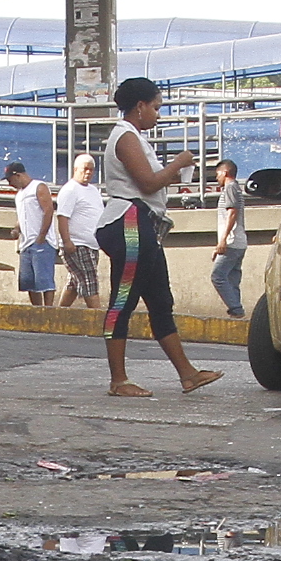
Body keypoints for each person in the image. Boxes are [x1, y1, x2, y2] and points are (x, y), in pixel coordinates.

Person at [92, 77, 220, 399]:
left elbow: (149, 182)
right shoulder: (125, 136)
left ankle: (188, 374)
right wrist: (179, 163)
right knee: (122, 301)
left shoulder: (135, 137)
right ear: (140, 106)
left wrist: (172, 172)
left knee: (161, 301)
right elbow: (148, 183)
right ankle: (118, 380)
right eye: (156, 107)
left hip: (143, 226)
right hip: (130, 224)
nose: (158, 115)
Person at [54, 152, 103, 308]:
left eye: (91, 169)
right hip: (77, 244)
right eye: (85, 169)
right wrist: (67, 241)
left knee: (75, 282)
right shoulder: (70, 190)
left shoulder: (94, 191)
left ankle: (58, 314)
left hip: (92, 245)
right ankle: (98, 317)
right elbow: (62, 217)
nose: (88, 173)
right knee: (89, 282)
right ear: (76, 169)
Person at [4, 161, 57, 302]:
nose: (10, 184)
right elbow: (22, 217)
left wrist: (42, 236)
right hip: (26, 243)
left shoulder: (39, 187)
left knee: (44, 280)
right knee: (29, 282)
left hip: (41, 241)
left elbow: (48, 210)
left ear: (18, 175)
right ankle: (36, 310)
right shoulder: (19, 195)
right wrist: (16, 229)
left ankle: (48, 309)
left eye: (10, 180)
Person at [205, 155, 249, 319]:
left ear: (225, 172)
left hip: (231, 242)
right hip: (239, 242)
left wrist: (222, 241)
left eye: (218, 174)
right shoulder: (236, 189)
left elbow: (232, 213)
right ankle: (237, 311)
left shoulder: (230, 188)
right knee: (232, 277)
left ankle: (235, 307)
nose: (217, 178)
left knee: (218, 276)